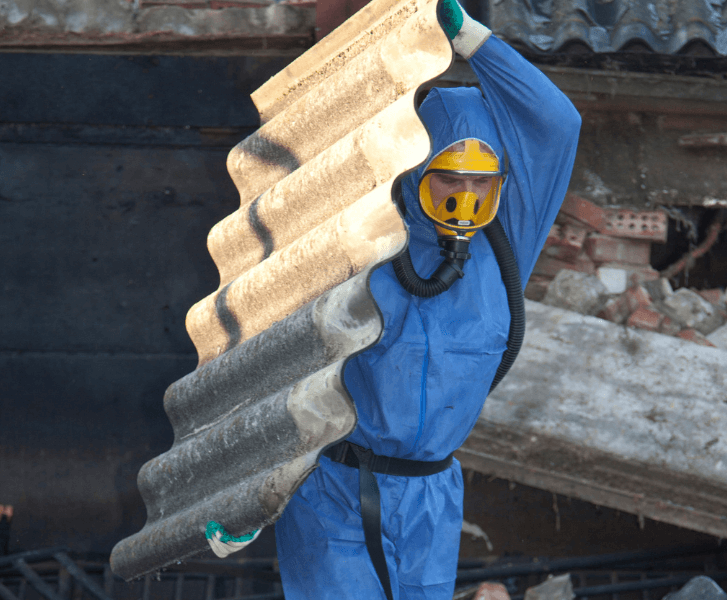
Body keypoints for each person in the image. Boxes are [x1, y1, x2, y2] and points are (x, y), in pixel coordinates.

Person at [209, 1, 581, 598]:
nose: (465, 199)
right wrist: (243, 494)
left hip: (433, 497)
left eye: (480, 184)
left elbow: (557, 125)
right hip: (334, 488)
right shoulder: (363, 238)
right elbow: (276, 359)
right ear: (415, 170)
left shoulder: (507, 239)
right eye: (448, 180)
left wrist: (471, 39)